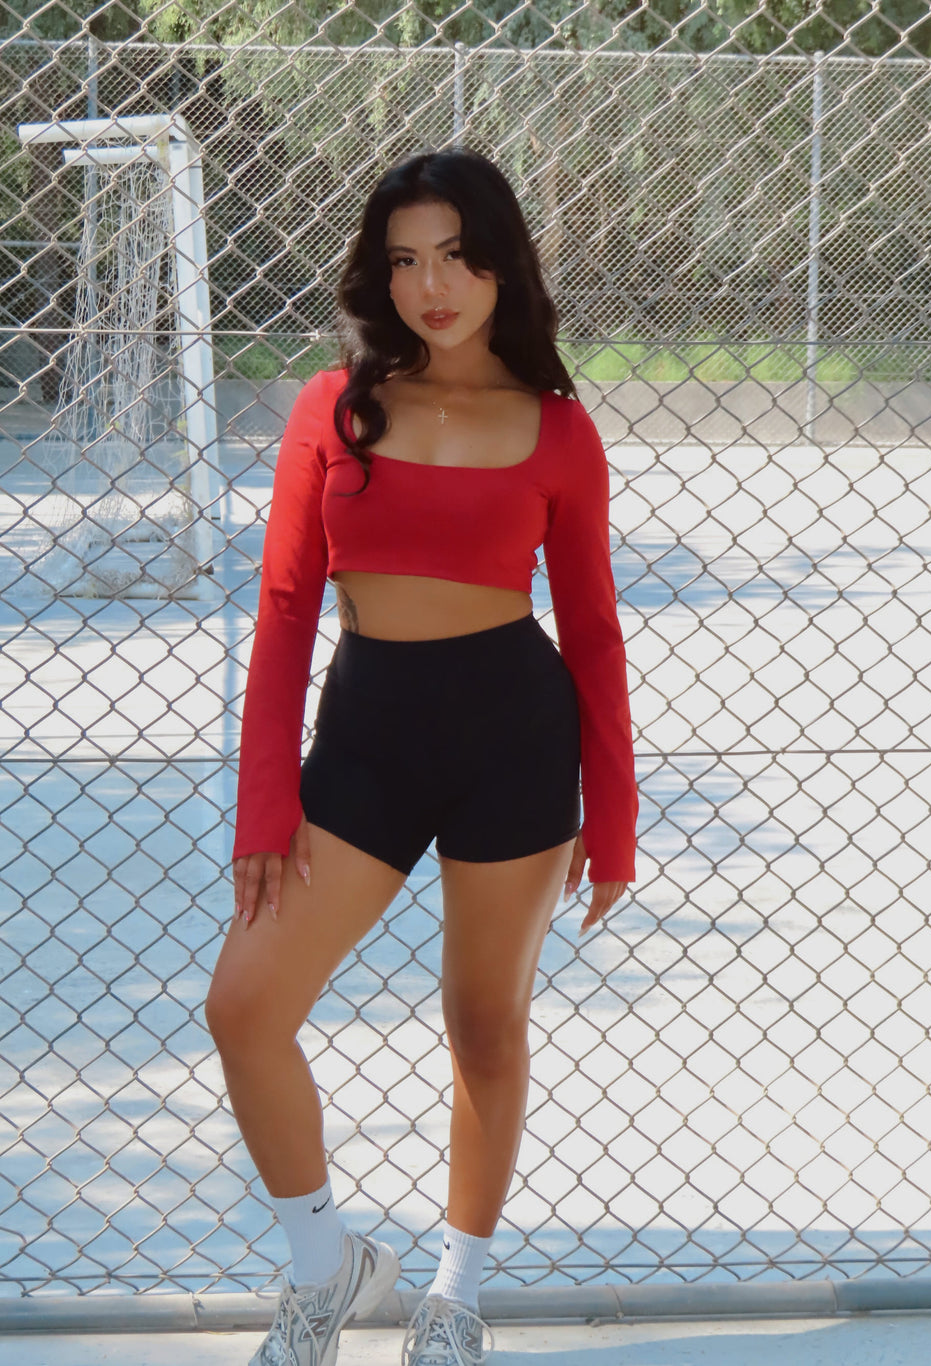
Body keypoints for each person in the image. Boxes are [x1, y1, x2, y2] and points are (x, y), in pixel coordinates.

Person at [204, 147, 638, 1366]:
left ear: (500, 262)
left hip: (514, 733)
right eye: (404, 259)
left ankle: (454, 1293)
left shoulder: (557, 430)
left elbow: (594, 630)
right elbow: (286, 611)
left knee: (483, 1021)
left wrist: (614, 821)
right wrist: (261, 809)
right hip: (369, 737)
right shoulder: (329, 407)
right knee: (243, 1005)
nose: (430, 285)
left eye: (454, 254)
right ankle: (324, 1260)